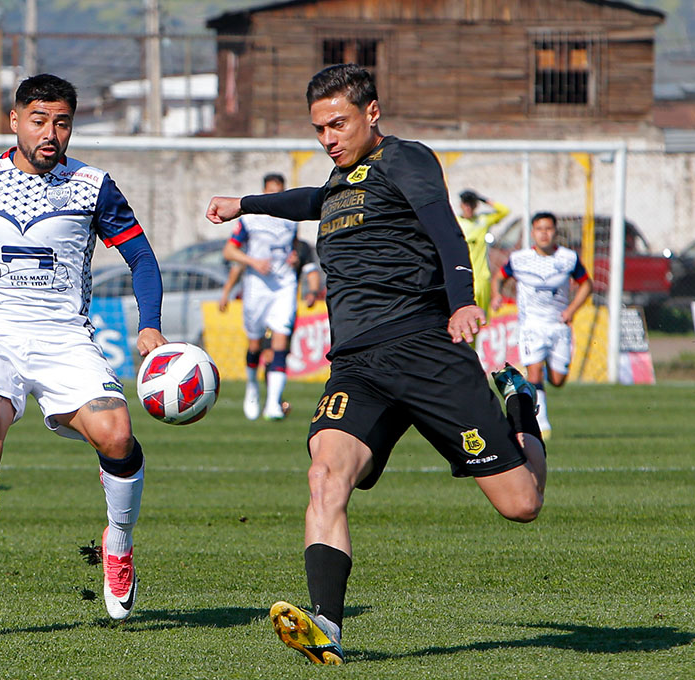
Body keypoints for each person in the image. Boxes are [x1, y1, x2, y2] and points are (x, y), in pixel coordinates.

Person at [206, 64, 547, 665]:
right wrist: (245, 205)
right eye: (318, 128)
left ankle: (520, 403)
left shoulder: (406, 159)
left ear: (372, 112)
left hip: (423, 348)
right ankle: (327, 630)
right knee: (326, 473)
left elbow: (445, 229)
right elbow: (311, 200)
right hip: (358, 364)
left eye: (338, 123)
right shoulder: (340, 182)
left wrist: (463, 300)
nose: (327, 138)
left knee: (521, 504)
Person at [0, 73, 167, 629]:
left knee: (118, 435)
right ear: (15, 120)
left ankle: (118, 545)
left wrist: (151, 326)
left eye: (63, 122)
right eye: (40, 120)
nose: (51, 133)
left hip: (65, 338)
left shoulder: (93, 185)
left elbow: (142, 259)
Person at [216, 173, 319, 420]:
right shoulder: (250, 219)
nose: (275, 197)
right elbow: (230, 251)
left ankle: (273, 403)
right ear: (263, 191)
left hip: (283, 286)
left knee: (280, 343)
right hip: (256, 288)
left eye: (279, 192)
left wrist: (294, 258)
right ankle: (252, 388)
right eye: (271, 192)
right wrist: (252, 262)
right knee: (255, 344)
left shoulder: (291, 219)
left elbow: (295, 250)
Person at [490, 212, 593, 437]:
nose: (544, 233)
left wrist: (571, 310)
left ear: (556, 232)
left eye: (548, 229)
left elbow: (586, 284)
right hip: (531, 326)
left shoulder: (568, 258)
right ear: (532, 232)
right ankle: (543, 424)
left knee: (557, 380)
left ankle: (539, 387)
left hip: (558, 326)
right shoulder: (520, 259)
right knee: (534, 372)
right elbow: (499, 277)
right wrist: (496, 295)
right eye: (539, 229)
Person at [456, 189, 509, 313]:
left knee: (481, 317)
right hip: (463, 275)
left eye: (472, 204)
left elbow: (505, 211)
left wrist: (484, 199)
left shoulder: (483, 220)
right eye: (466, 204)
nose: (469, 208)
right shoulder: (456, 222)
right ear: (461, 205)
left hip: (482, 277)